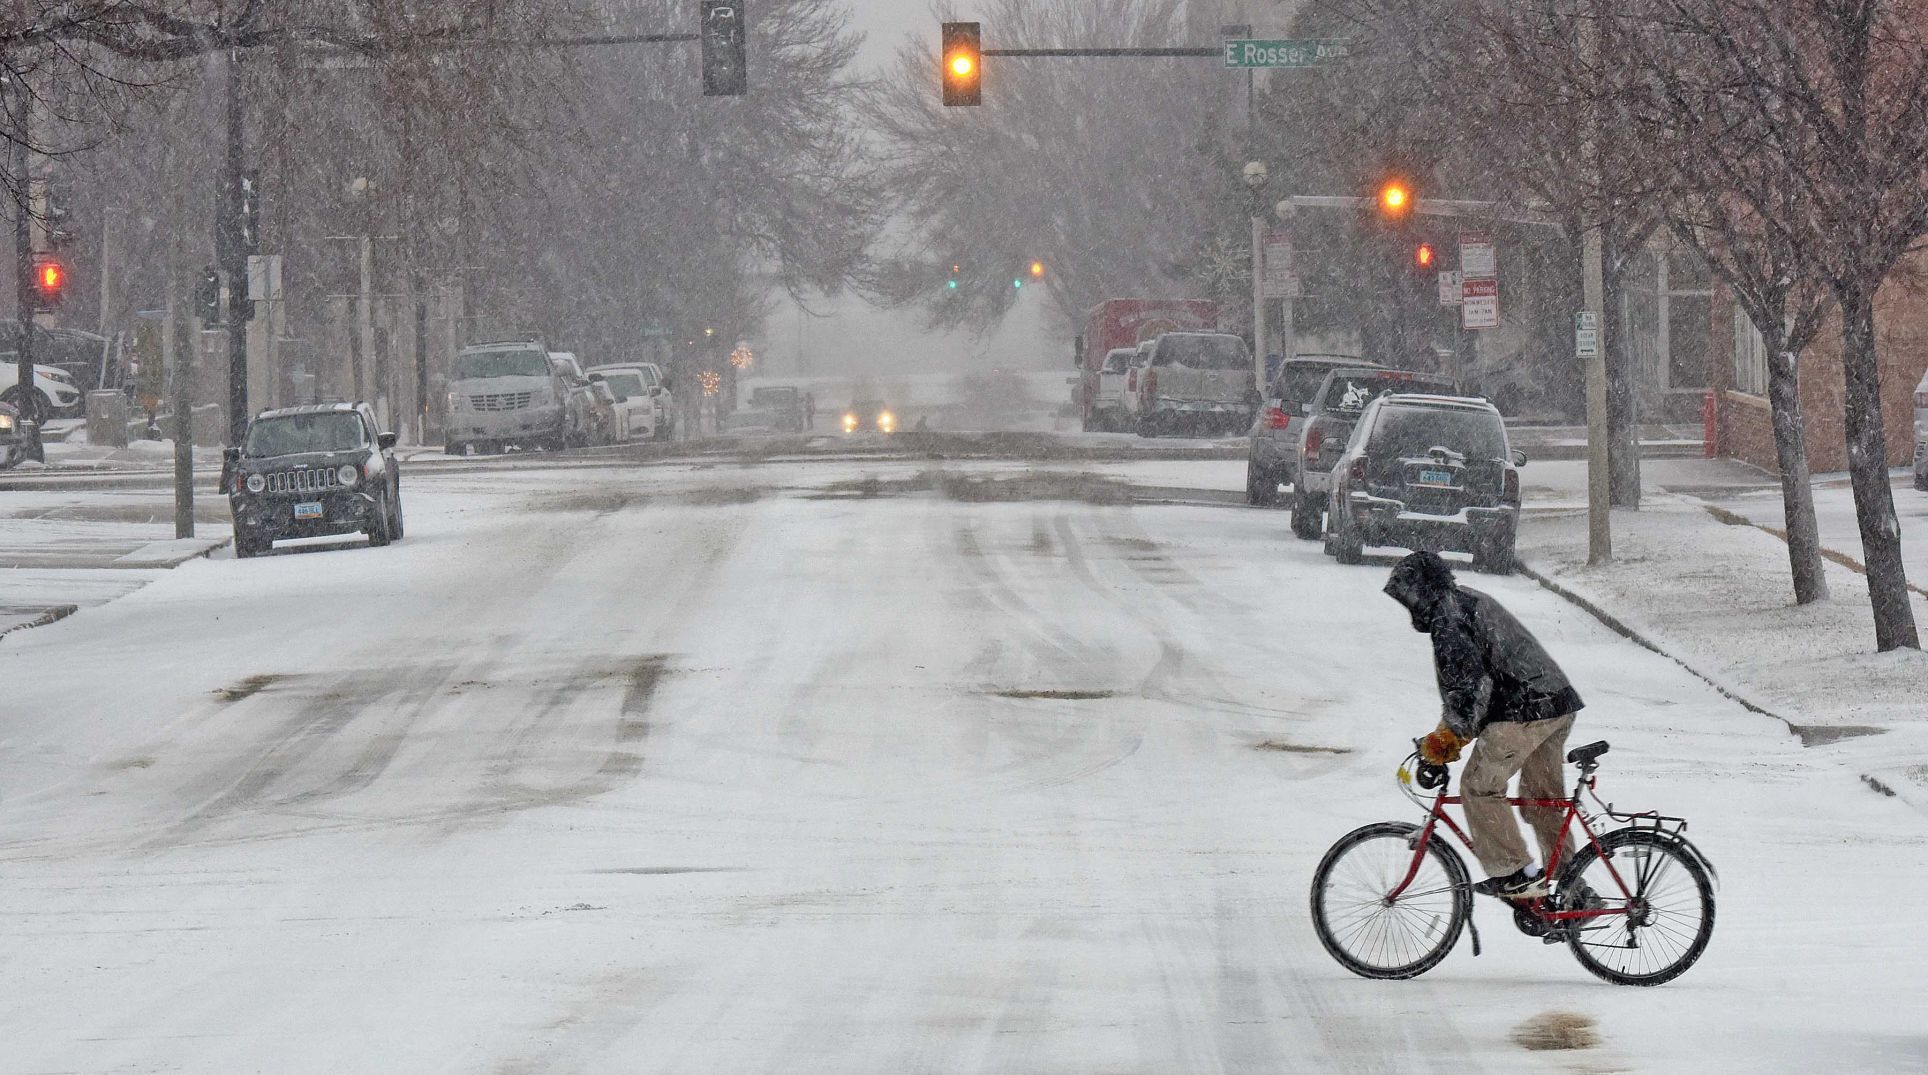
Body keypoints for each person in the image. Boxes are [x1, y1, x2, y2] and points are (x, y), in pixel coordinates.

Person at [1383, 551, 1585, 900]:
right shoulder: (1465, 601)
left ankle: (1516, 873)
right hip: (1556, 703)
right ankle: (1573, 887)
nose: (1409, 608)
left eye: (1408, 598)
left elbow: (1470, 692)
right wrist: (1444, 742)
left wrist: (1439, 749)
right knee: (1542, 801)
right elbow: (1474, 694)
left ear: (1422, 591)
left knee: (1479, 787)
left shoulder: (1448, 619)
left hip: (1525, 709)